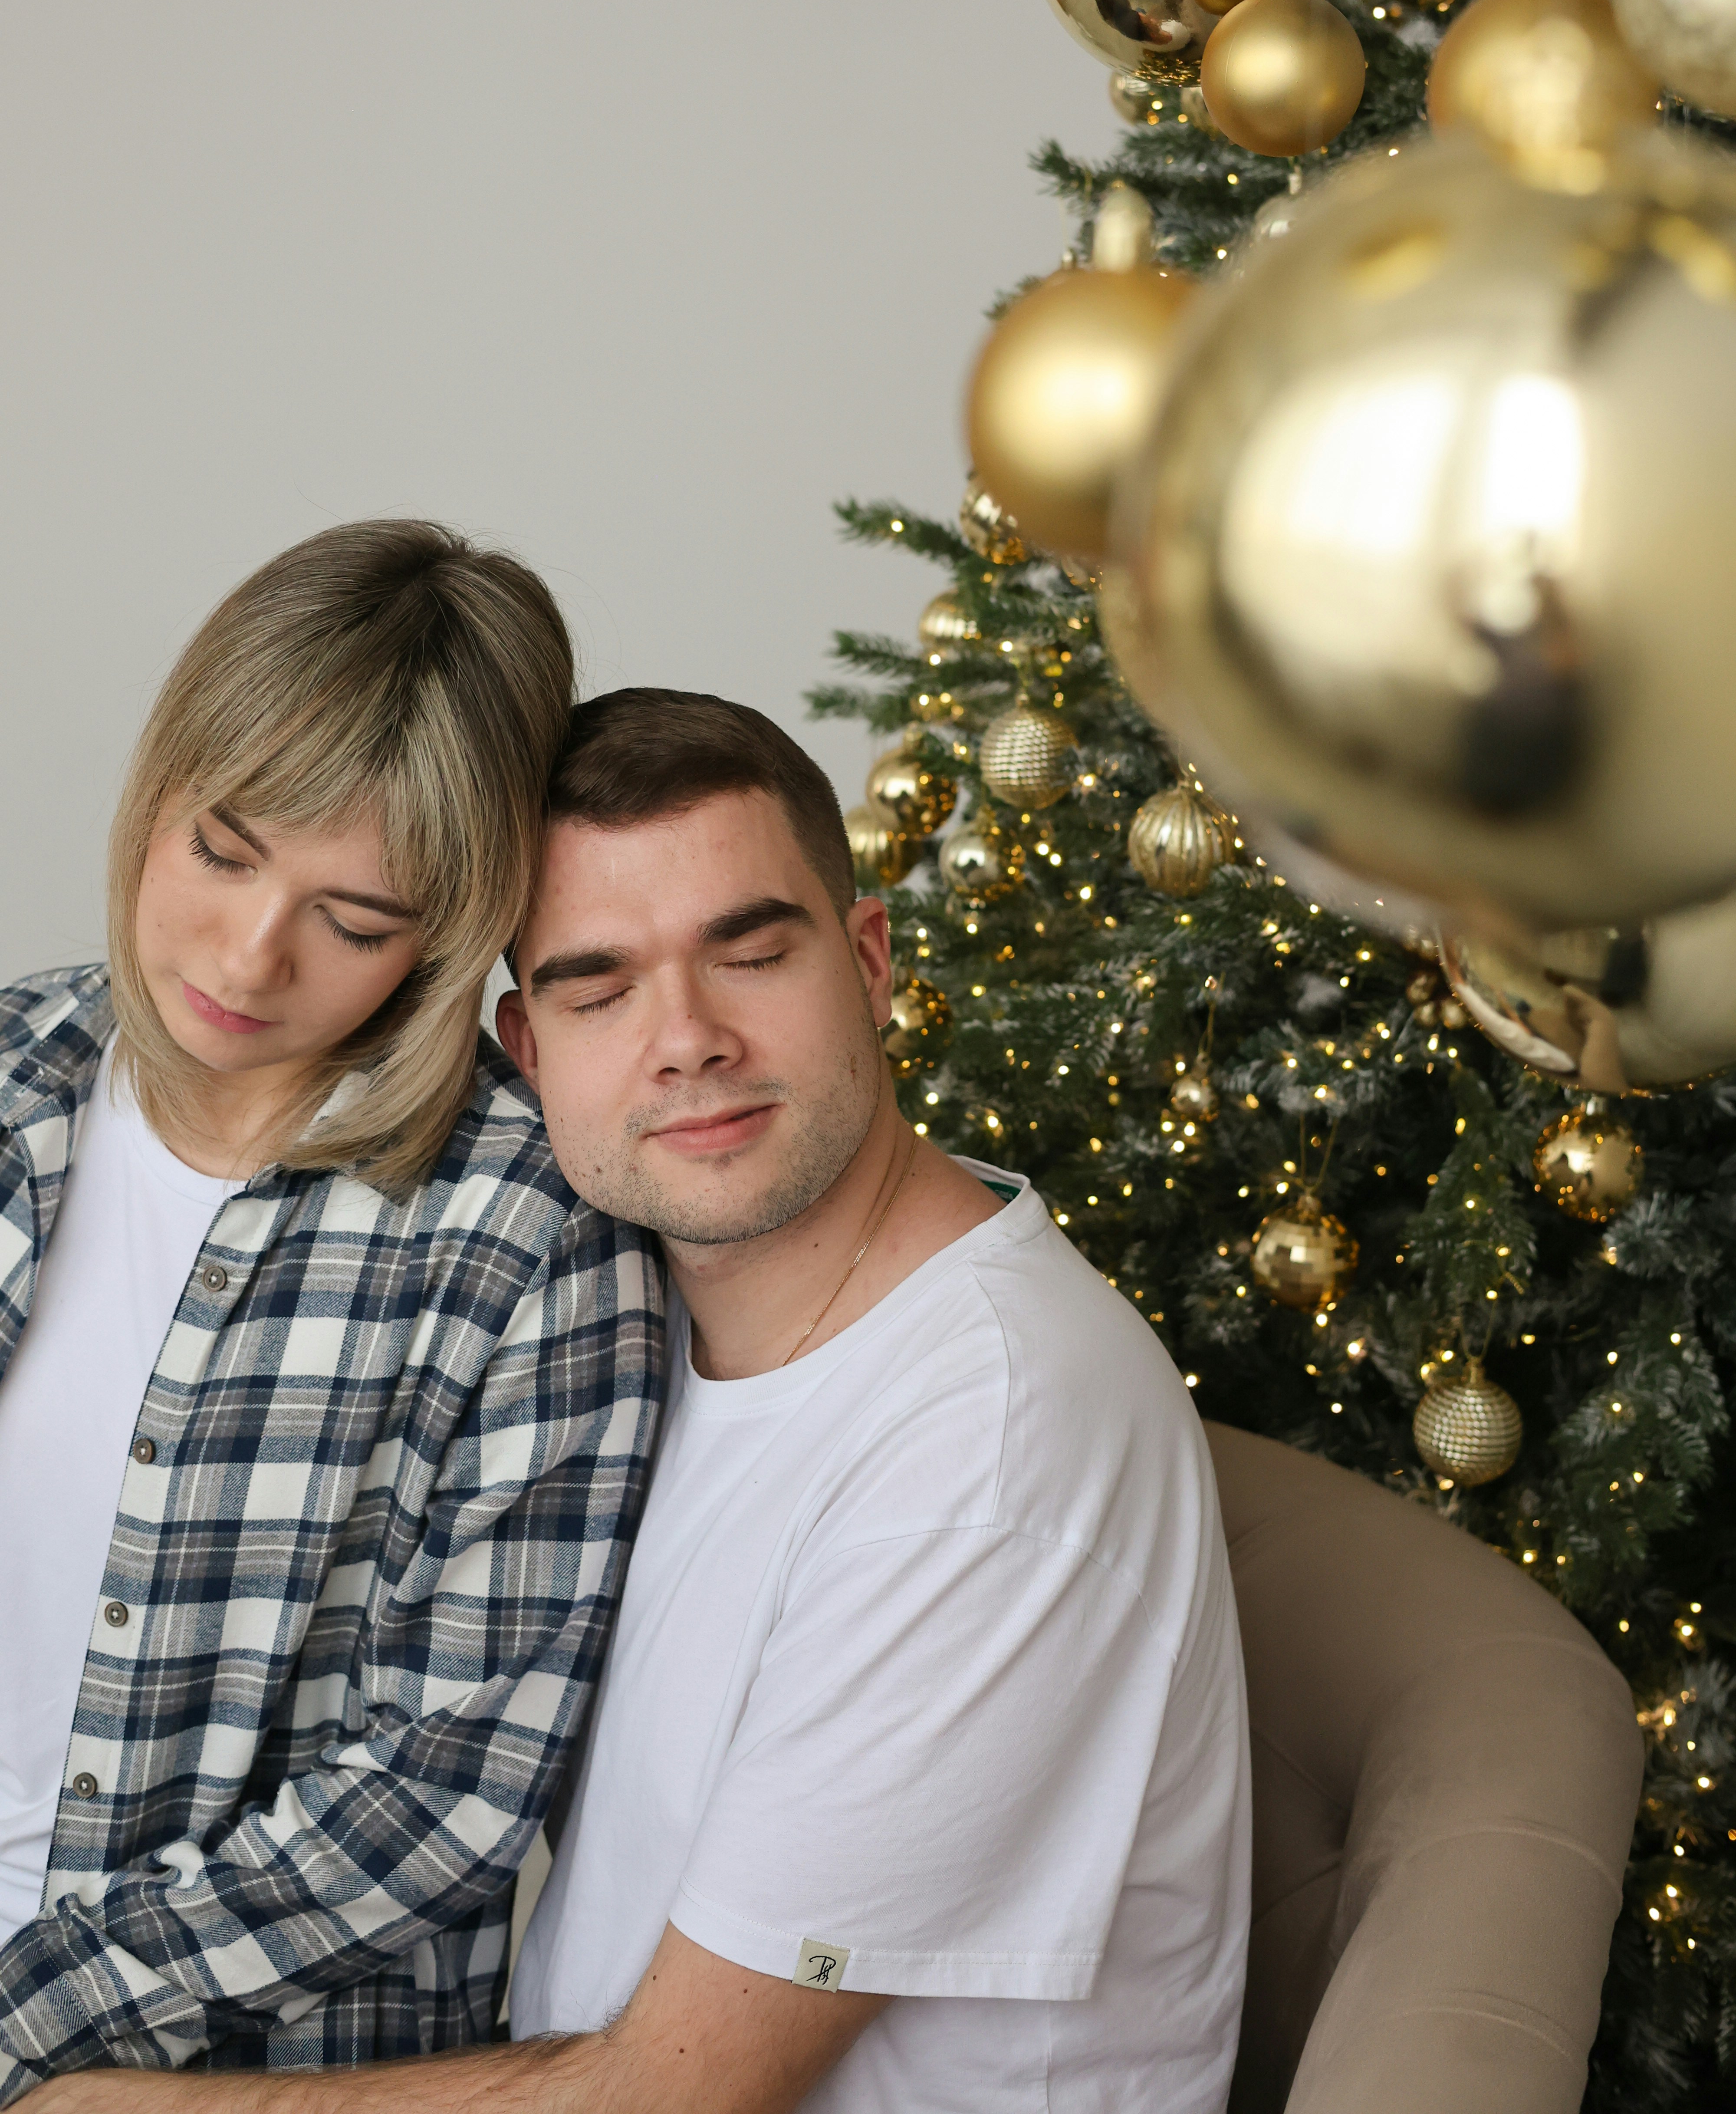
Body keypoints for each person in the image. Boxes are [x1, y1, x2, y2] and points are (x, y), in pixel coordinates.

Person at [45, 686, 1247, 2114]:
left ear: (869, 961)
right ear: (524, 1049)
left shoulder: (988, 1445)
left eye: (749, 955)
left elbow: (666, 2096)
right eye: (600, 987)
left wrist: (80, 2099)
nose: (686, 1041)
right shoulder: (624, 1339)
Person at [0, 527, 661, 2105]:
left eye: (355, 918)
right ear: (160, 786)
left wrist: (23, 2016)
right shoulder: (16, 1075)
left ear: (451, 930)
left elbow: (447, 1795)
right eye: (223, 852)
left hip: (182, 2075)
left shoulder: (531, 1238)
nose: (247, 955)